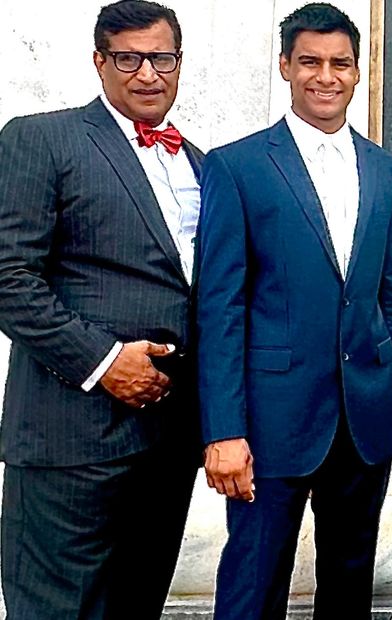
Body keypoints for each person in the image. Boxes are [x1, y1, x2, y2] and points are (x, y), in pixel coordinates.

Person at [195, 3, 392, 618]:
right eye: (311, 62)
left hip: (366, 418)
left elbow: (389, 296)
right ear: (287, 66)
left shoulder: (388, 171)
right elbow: (220, 307)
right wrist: (223, 429)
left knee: (349, 586)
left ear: (357, 72)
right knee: (254, 583)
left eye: (340, 63)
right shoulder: (235, 166)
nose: (326, 76)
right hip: (269, 420)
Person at [0, 1, 201, 617]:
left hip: (167, 441)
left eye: (161, 58)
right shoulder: (41, 138)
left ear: (179, 63)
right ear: (99, 62)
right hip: (72, 432)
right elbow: (9, 276)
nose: (147, 74)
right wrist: (103, 360)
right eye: (128, 58)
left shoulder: (197, 160)